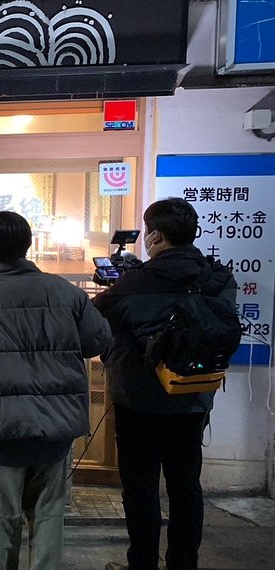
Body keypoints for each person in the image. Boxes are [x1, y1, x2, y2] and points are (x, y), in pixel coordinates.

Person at [0, 211, 112, 569]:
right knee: (49, 514)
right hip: (56, 427)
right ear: (27, 243)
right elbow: (98, 340)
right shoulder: (65, 292)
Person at [93, 198, 238, 570]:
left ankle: (142, 563)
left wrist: (117, 286)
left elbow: (96, 322)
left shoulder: (135, 282)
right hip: (194, 396)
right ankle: (183, 563)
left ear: (156, 236)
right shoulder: (218, 278)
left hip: (138, 400)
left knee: (140, 487)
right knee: (186, 485)